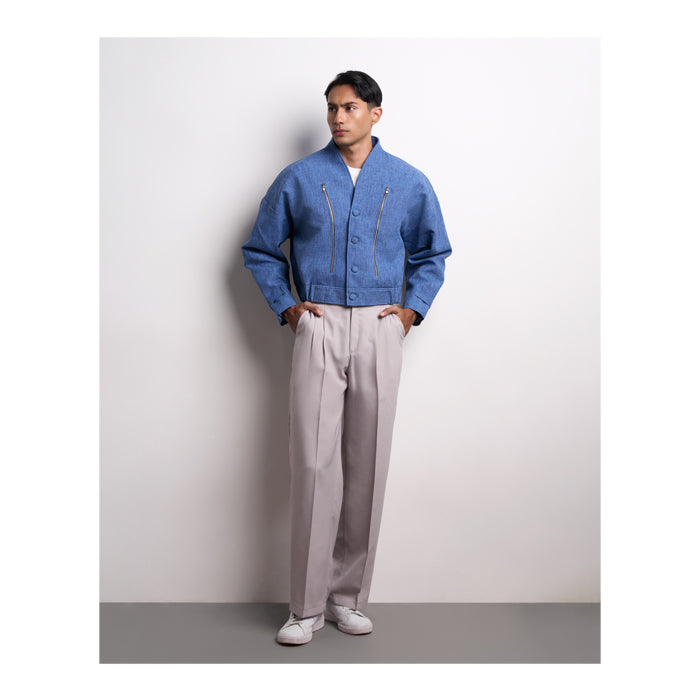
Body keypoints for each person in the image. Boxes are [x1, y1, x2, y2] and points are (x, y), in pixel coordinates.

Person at [242, 70, 452, 645]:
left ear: (375, 113)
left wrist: (410, 312)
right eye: (332, 107)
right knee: (314, 463)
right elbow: (260, 249)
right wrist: (289, 307)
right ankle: (305, 608)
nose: (338, 117)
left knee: (368, 461)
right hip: (320, 324)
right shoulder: (300, 178)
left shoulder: (407, 181)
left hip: (381, 325)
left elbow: (433, 252)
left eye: (350, 107)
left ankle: (348, 597)